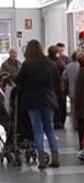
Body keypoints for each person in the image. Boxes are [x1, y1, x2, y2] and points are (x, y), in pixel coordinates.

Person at [15, 40, 61, 169]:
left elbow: (19, 81)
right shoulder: (50, 64)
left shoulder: (27, 65)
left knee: (37, 129)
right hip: (48, 100)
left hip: (32, 101)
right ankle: (55, 157)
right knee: (49, 129)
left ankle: (41, 158)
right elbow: (57, 81)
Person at [48, 46, 67, 129]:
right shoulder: (58, 62)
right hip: (57, 88)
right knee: (60, 106)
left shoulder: (47, 61)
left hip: (52, 88)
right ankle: (58, 122)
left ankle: (57, 121)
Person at [61, 50, 82, 124]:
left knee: (73, 108)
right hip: (82, 91)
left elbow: (64, 77)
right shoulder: (82, 66)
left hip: (72, 89)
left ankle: (74, 123)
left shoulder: (69, 66)